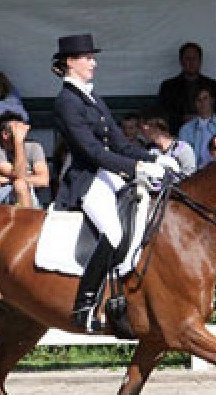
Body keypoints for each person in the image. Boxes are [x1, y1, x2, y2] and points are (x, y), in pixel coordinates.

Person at [51, 33, 175, 332]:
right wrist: (137, 168)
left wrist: (154, 158)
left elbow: (119, 142)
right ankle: (85, 304)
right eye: (88, 58)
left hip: (109, 174)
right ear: (71, 62)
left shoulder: (92, 98)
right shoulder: (67, 102)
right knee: (114, 232)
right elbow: (91, 151)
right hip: (88, 178)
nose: (93, 63)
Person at [0, 113, 48, 208]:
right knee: (20, 184)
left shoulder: (34, 147)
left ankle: (28, 219)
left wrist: (9, 179)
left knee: (20, 184)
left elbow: (44, 180)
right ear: (5, 134)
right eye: (18, 130)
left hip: (28, 194)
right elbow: (18, 174)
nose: (23, 134)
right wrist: (18, 141)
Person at [158, 42, 216, 136]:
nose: (191, 62)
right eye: (187, 59)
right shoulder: (168, 87)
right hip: (178, 132)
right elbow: (163, 115)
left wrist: (201, 118)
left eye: (194, 59)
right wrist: (182, 119)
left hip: (209, 132)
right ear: (181, 62)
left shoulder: (214, 86)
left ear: (200, 61)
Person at [178, 85, 216, 170]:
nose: (202, 103)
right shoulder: (185, 130)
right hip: (195, 175)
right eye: (198, 100)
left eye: (205, 98)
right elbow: (181, 155)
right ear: (195, 104)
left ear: (212, 100)